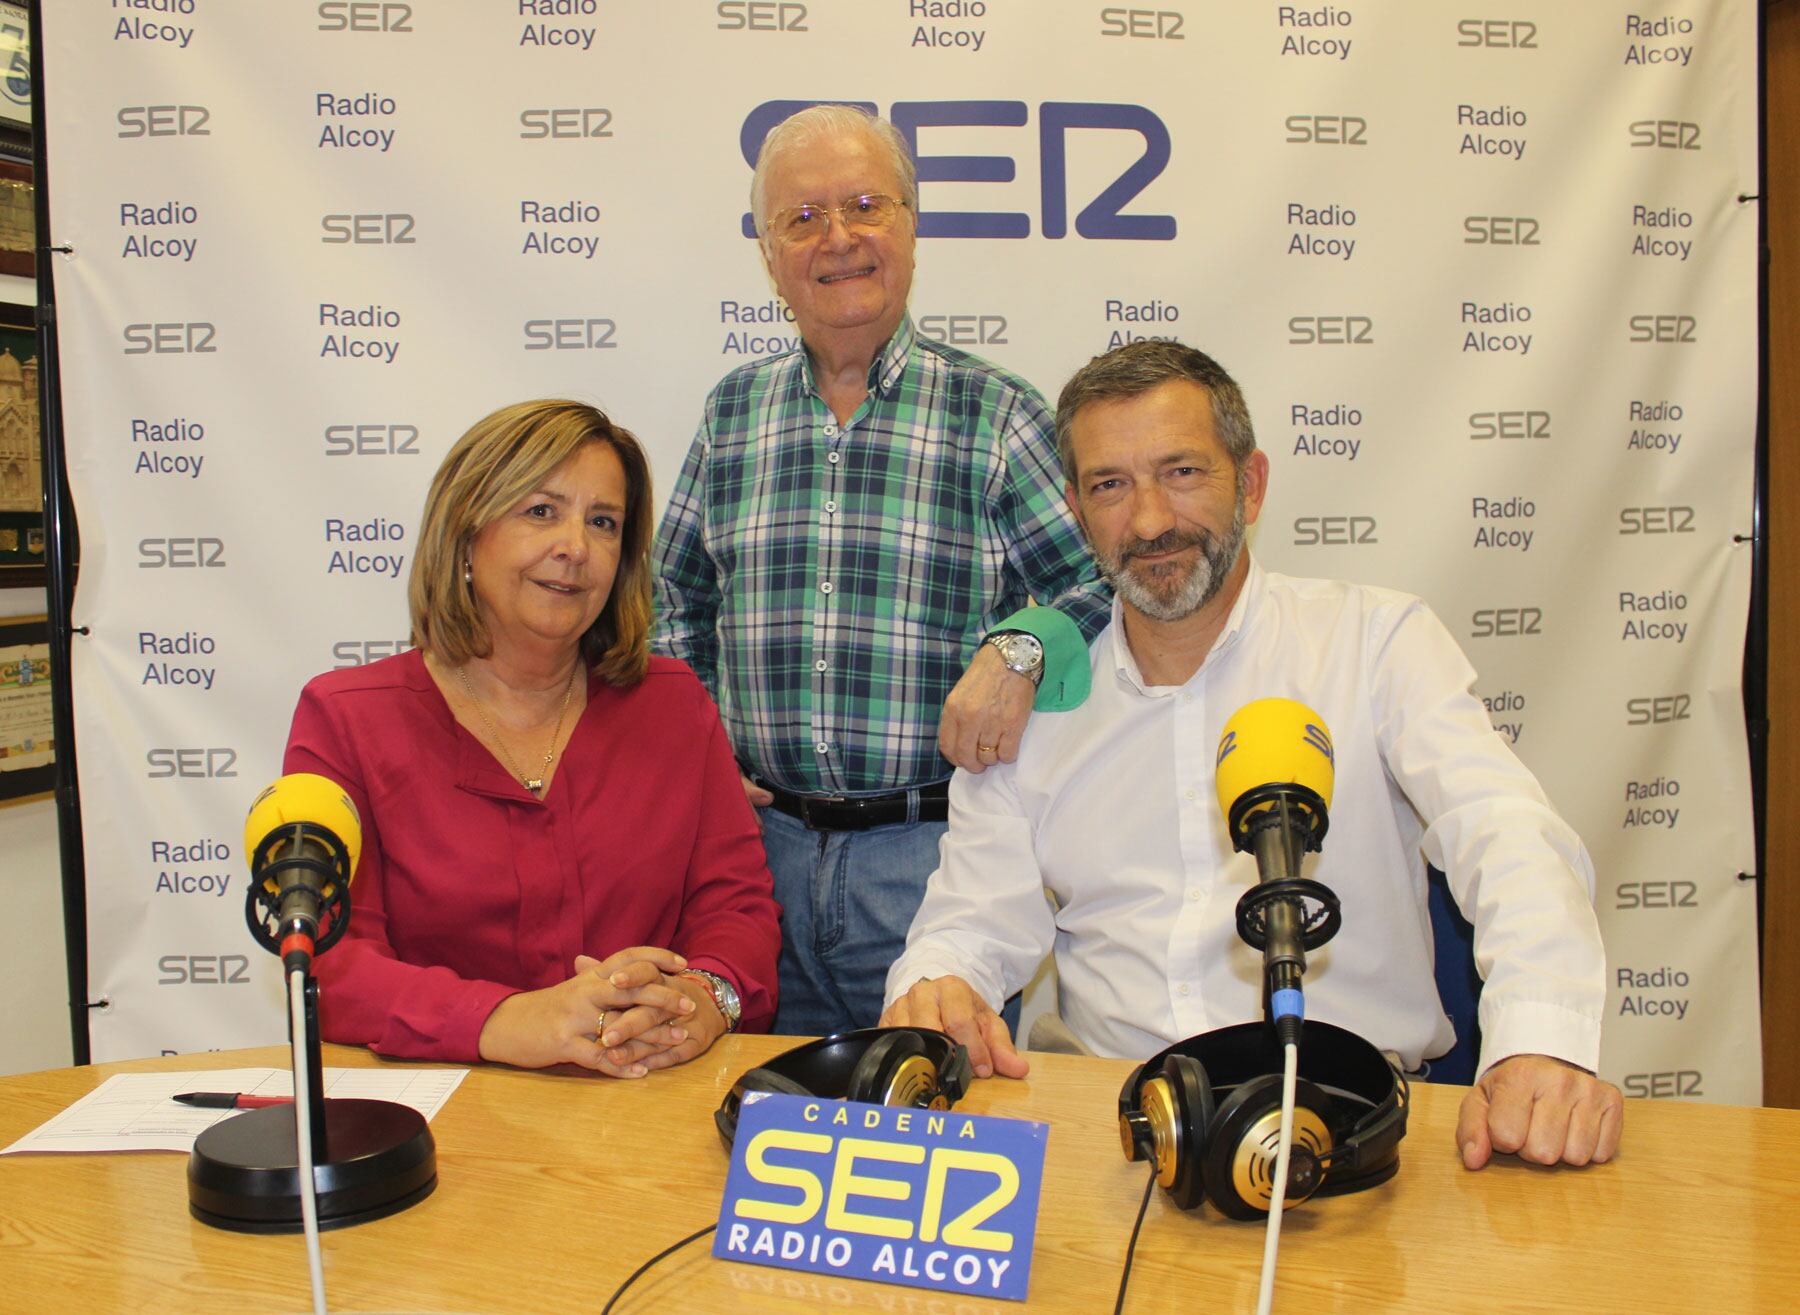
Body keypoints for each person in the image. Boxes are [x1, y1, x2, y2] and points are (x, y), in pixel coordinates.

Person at [882, 341, 1624, 1171]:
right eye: (1111, 485)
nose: (1152, 520)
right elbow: (970, 920)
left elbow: (1506, 831)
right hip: (1116, 1143)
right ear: (1077, 509)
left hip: (1353, 1137)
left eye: (1183, 472)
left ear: (1253, 482)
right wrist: (940, 981)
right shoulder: (1034, 701)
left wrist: (1543, 1041)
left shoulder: (1374, 644)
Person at [652, 104, 1108, 1034]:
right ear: (770, 256)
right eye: (803, 217)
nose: (839, 238)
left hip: (936, 859)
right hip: (755, 863)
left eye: (865, 205)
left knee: (941, 1132)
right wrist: (698, 744)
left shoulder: (995, 413)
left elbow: (1105, 582)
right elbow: (673, 603)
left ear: (910, 226)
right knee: (763, 1132)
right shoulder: (734, 413)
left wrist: (1023, 647)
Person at [284, 400, 780, 1076]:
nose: (575, 546)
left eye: (603, 522)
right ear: (464, 537)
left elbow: (737, 908)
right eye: (541, 511)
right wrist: (505, 1019)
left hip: (644, 1101)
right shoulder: (345, 719)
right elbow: (332, 965)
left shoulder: (674, 704)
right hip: (447, 1114)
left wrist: (702, 998)